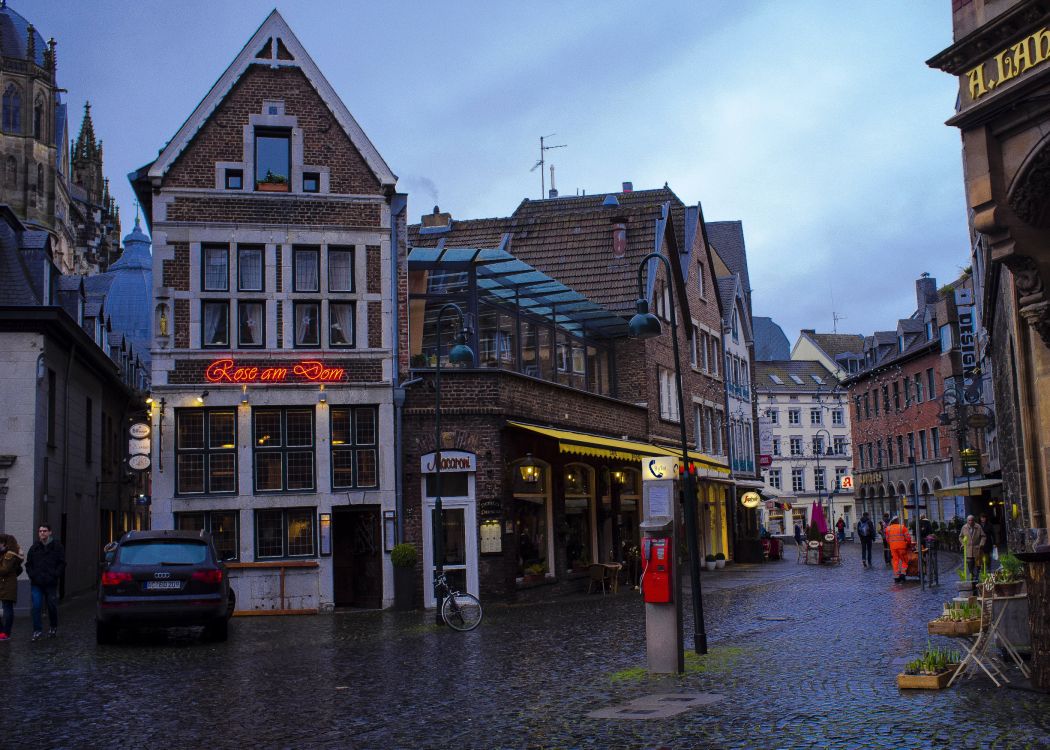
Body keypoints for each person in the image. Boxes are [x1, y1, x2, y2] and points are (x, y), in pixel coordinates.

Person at [26, 524, 65, 641]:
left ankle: (53, 627)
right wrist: (32, 575)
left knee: (52, 606)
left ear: (50, 532)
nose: (42, 533)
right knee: (36, 606)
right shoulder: (34, 548)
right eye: (40, 531)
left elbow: (62, 563)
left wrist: (55, 574)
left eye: (44, 531)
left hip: (50, 582)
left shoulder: (57, 547)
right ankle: (37, 631)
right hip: (37, 582)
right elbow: (29, 564)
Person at [0, 534, 25, 641]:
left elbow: (4, 570)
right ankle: (2, 632)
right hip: (4, 584)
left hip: (7, 586)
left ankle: (5, 633)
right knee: (7, 608)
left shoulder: (9, 555)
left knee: (7, 609)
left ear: (4, 543)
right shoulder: (5, 553)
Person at [885, 515, 913, 584]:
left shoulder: (888, 529)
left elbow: (887, 539)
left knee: (895, 561)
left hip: (893, 548)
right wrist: (909, 544)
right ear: (896, 521)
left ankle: (896, 577)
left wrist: (891, 544)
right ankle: (903, 574)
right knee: (904, 560)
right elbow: (908, 538)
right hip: (902, 547)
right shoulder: (902, 527)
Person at [958, 515, 985, 582]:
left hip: (977, 549)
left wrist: (981, 544)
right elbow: (960, 537)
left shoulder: (978, 527)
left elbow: (983, 536)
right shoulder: (964, 527)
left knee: (978, 564)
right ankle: (971, 574)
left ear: (974, 520)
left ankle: (977, 576)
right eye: (969, 520)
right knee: (970, 563)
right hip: (968, 549)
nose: (970, 521)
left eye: (972, 520)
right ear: (967, 521)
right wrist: (963, 543)